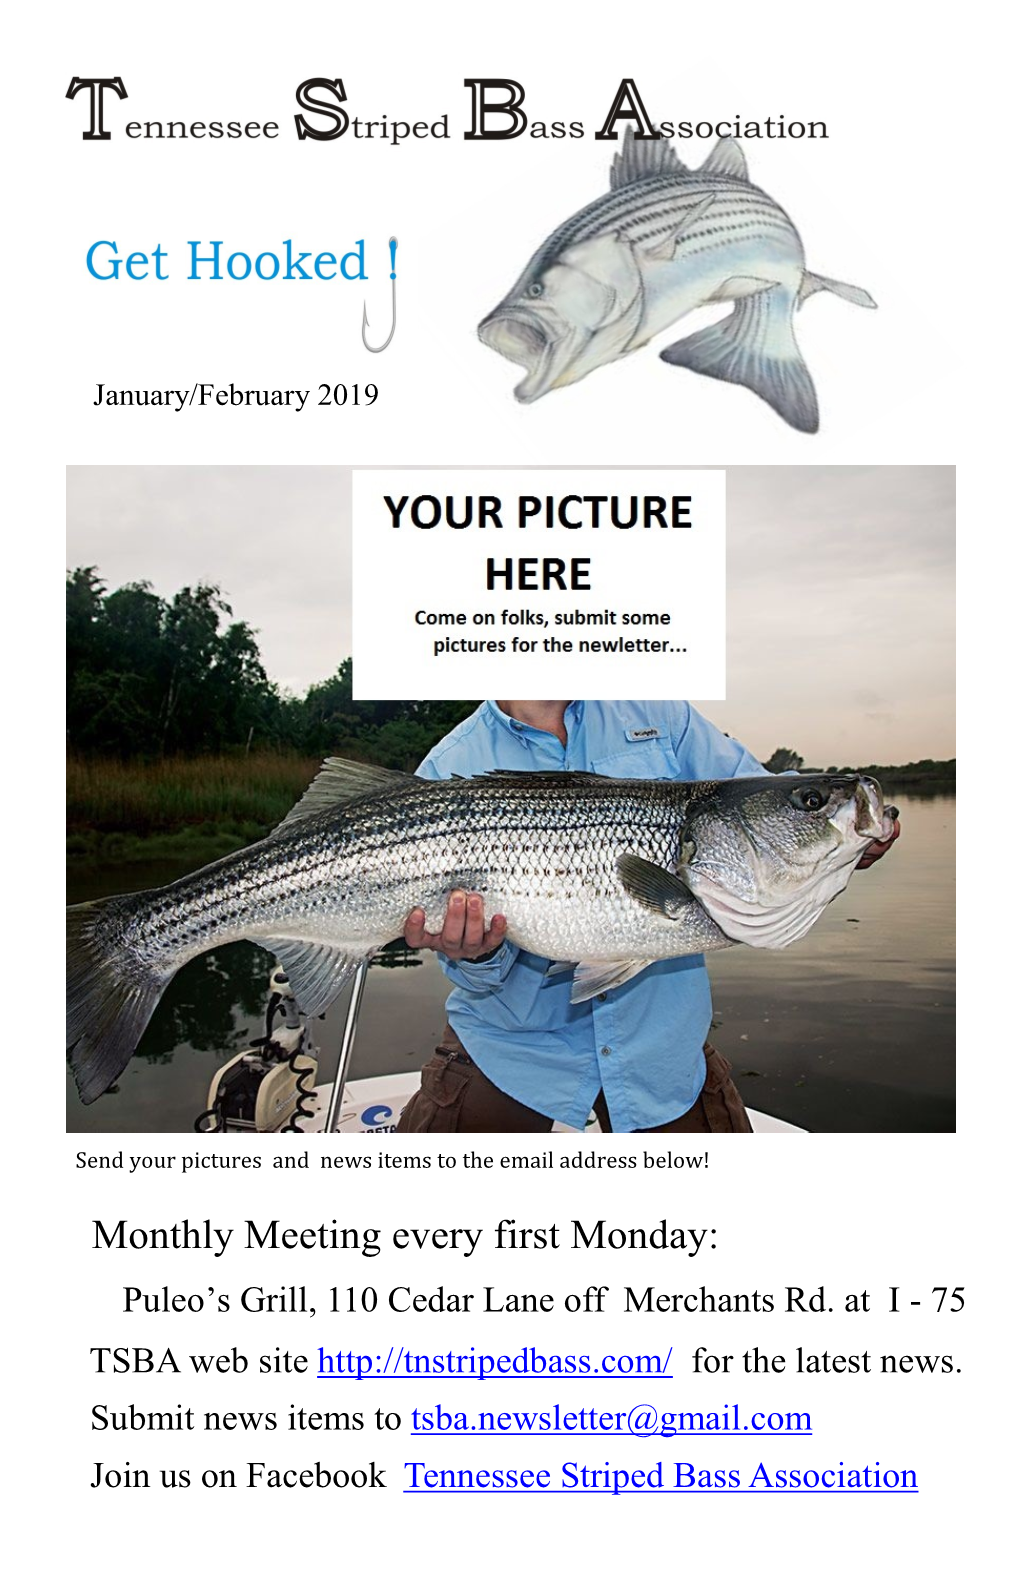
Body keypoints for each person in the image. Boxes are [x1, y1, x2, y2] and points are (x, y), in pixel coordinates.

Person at [395, 700, 899, 1135]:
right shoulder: (449, 762)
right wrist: (474, 953)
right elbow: (476, 973)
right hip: (510, 1046)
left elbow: (759, 797)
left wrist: (837, 838)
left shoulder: (663, 716)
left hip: (661, 1049)